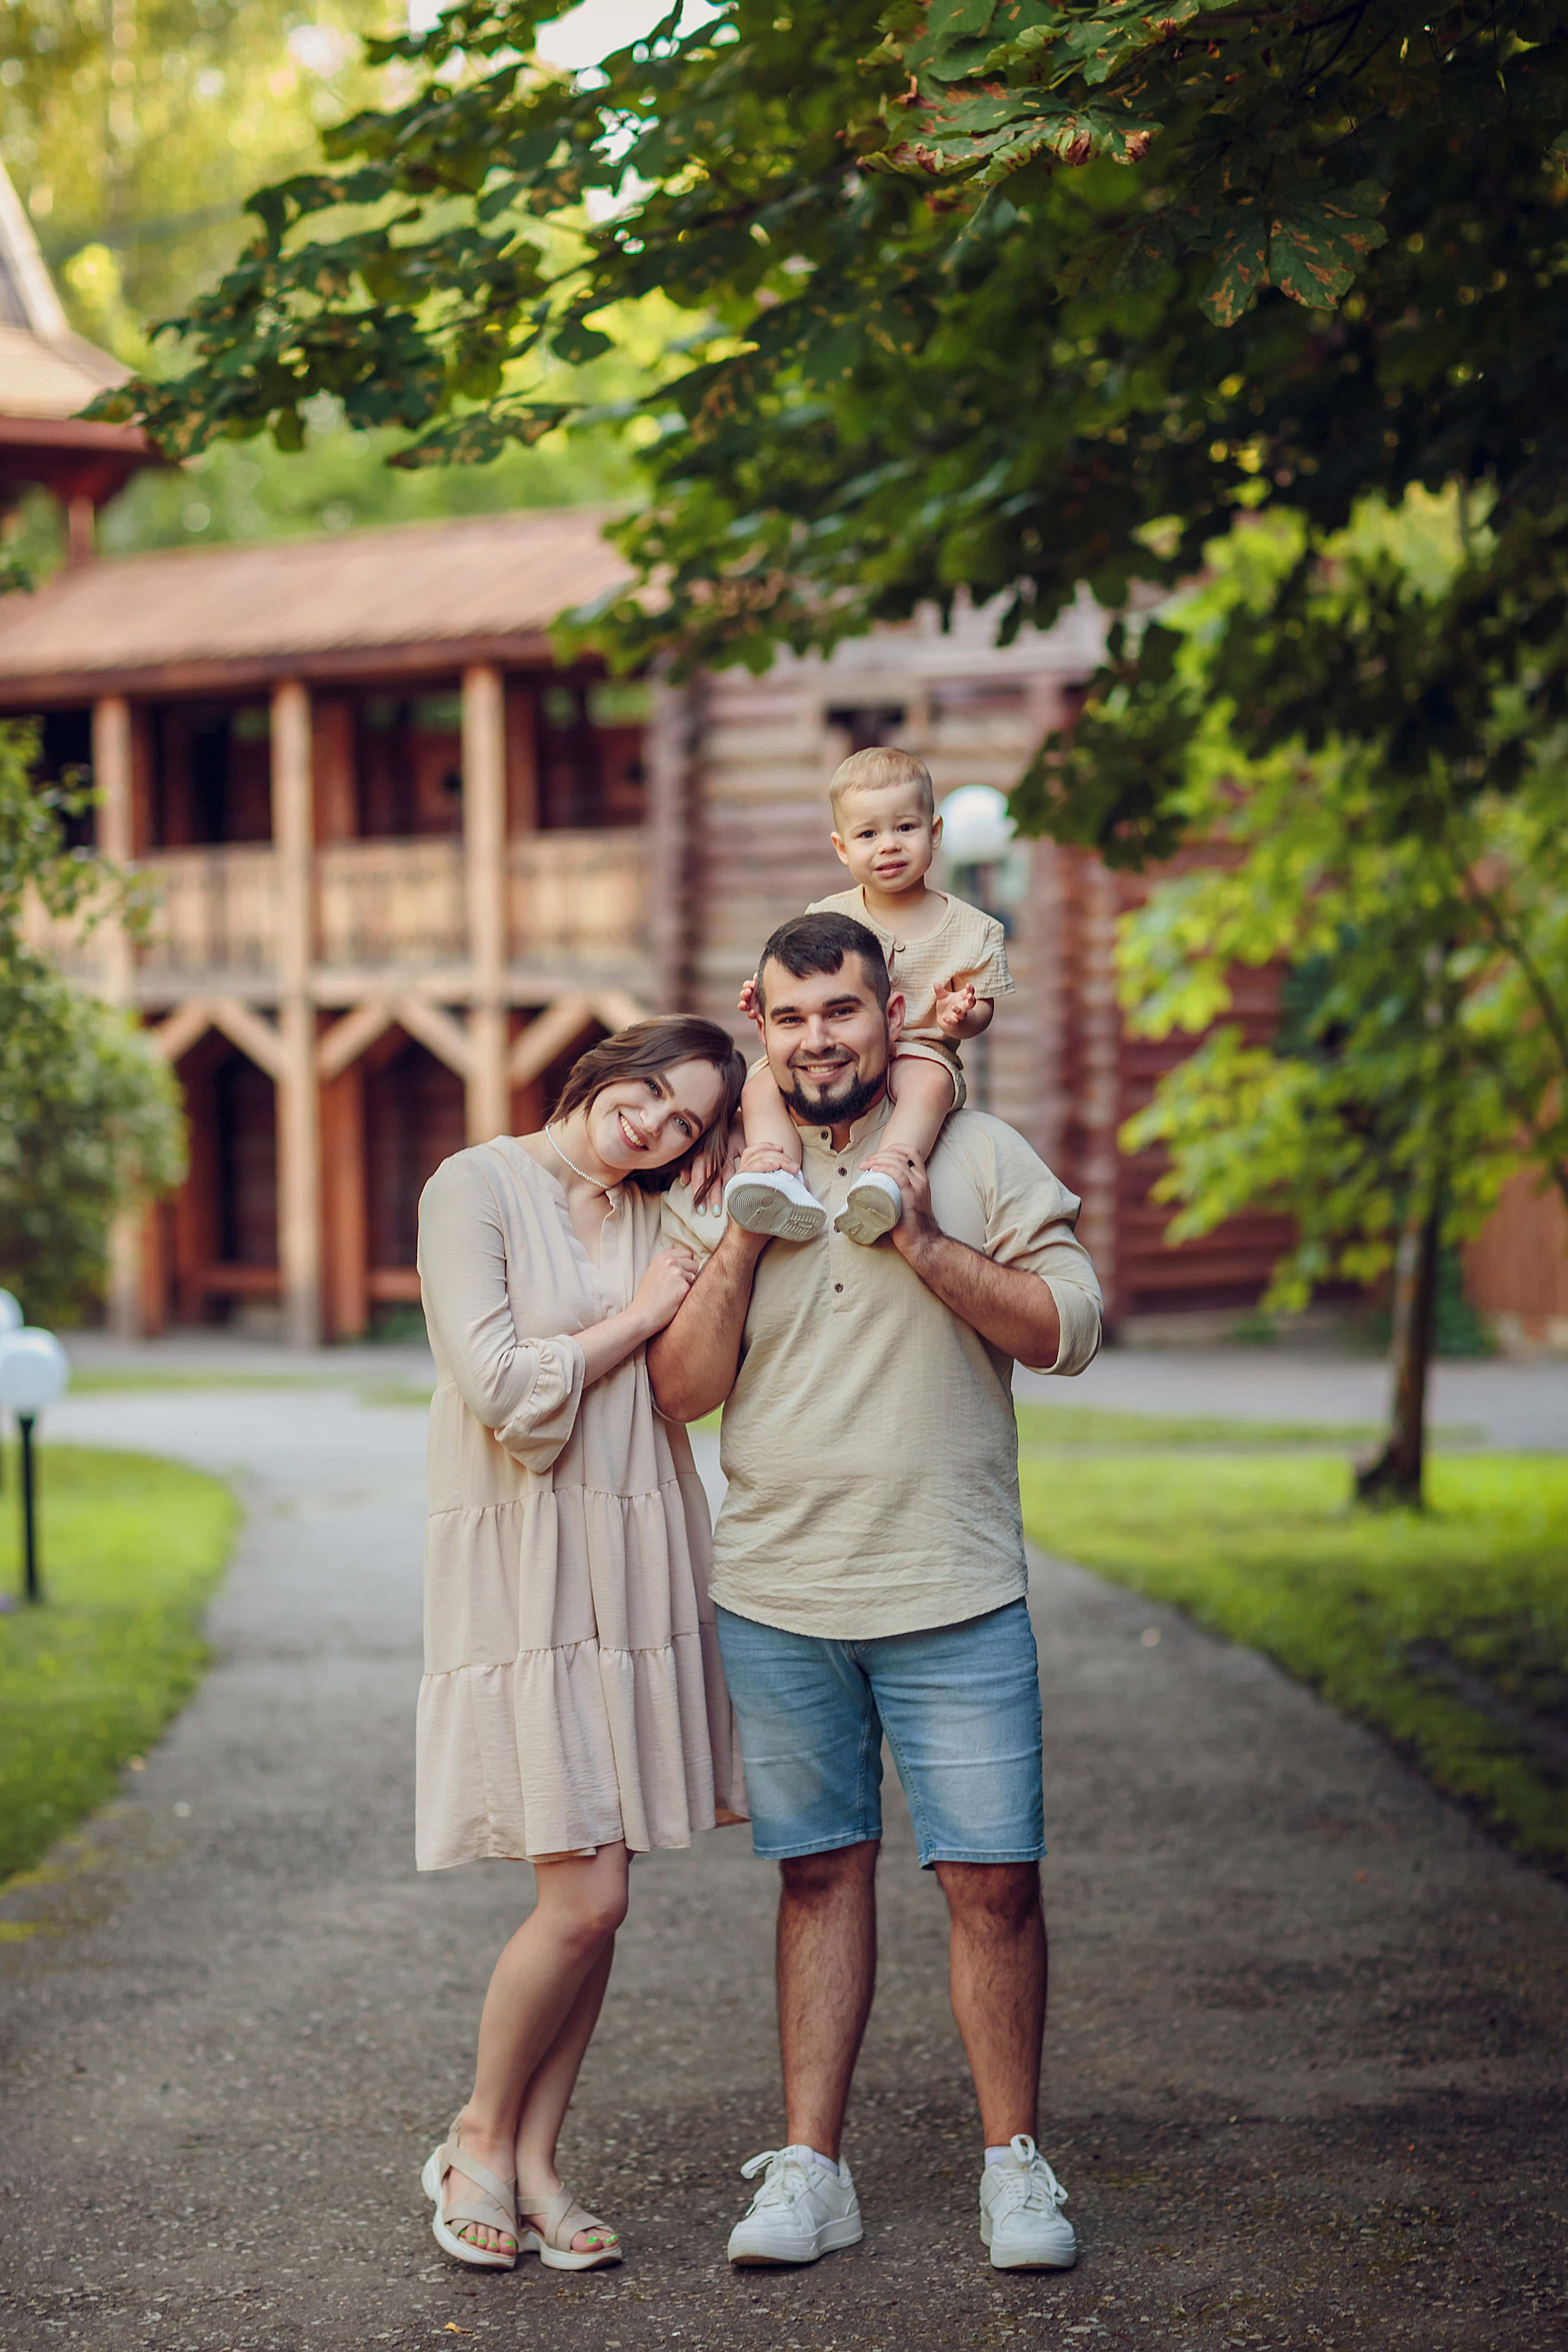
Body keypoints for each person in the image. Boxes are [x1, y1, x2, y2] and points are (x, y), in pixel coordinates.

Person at [649, 913, 1101, 2274]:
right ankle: (810, 2172)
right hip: (780, 1591)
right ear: (761, 1026)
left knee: (992, 1885)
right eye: (790, 1020)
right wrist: (740, 1237)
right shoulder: (729, 1167)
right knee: (815, 1878)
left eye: (839, 1011)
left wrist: (916, 1239)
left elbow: (1068, 1329)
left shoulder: (974, 1150)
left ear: (883, 1008)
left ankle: (1012, 2169)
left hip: (952, 1586)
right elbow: (679, 1391)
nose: (817, 1039)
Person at [414, 1017, 748, 2274]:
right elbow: (503, 1392)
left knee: (601, 1903)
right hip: (524, 1561)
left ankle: (538, 2165)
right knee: (585, 1892)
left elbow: (685, 1374)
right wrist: (644, 1314)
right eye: (650, 1094)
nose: (656, 1127)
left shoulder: (665, 1212)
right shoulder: (475, 1187)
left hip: (637, 1556)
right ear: (605, 1072)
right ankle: (476, 2138)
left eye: (685, 1122)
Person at [722, 746, 1011, 1248]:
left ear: (935, 832)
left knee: (929, 1085)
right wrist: (762, 999)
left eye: (905, 828)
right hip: (843, 1047)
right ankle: (774, 1170)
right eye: (868, 835)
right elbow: (797, 976)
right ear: (842, 847)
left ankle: (889, 1174)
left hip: (921, 1047)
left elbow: (983, 1006)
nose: (888, 847)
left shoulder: (974, 929)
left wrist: (960, 1017)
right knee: (762, 1079)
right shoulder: (828, 913)